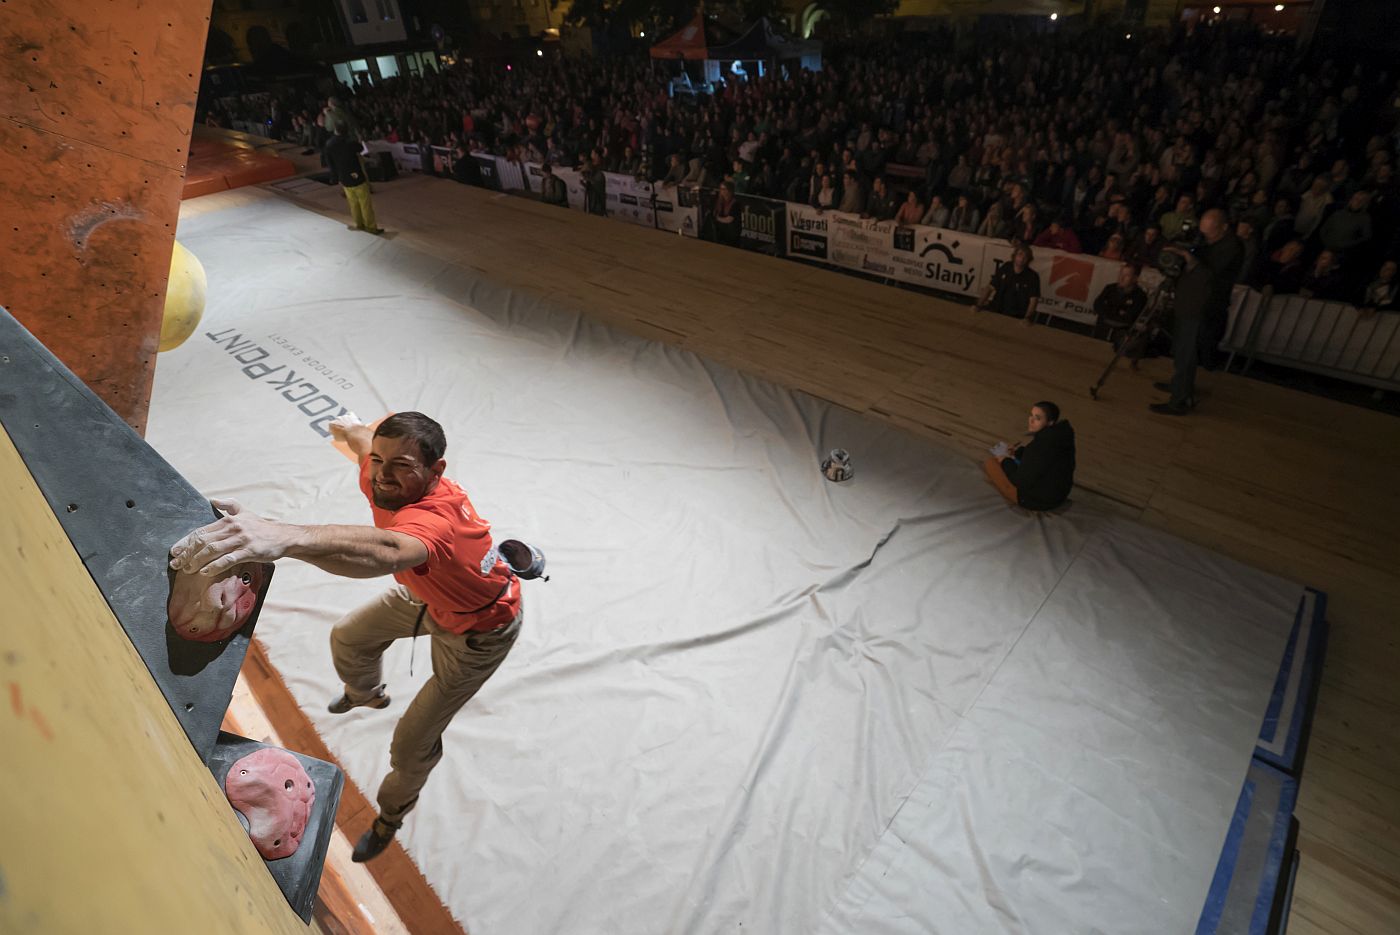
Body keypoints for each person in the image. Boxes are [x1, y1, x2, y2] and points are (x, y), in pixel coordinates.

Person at [168, 412, 524, 863]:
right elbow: (361, 440)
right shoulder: (380, 469)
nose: (384, 474)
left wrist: (285, 537)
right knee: (349, 638)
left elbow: (388, 551)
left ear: (436, 471)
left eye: (402, 466)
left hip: (479, 629)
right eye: (380, 460)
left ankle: (390, 817)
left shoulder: (434, 521)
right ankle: (366, 694)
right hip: (431, 595)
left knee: (411, 744)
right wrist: (350, 425)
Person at [1150, 208, 1243, 415]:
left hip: (1201, 308)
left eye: (1211, 232)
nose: (1206, 236)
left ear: (1224, 228)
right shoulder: (1206, 241)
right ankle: (1180, 385)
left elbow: (1210, 275)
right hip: (1187, 303)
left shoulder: (1232, 247)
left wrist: (1189, 258)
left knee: (1187, 353)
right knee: (1180, 350)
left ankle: (1179, 401)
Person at [982, 401, 1076, 512]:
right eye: (1031, 415)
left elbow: (1019, 481)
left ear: (1050, 422)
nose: (1031, 420)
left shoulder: (1040, 446)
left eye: (1037, 418)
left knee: (991, 463)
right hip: (1059, 496)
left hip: (1037, 501)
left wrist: (1005, 461)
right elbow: (1041, 458)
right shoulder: (1060, 437)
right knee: (1014, 462)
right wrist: (1018, 452)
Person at [324, 125, 384, 235]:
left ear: (335, 130)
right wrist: (359, 139)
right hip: (356, 175)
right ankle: (370, 227)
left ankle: (359, 224)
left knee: (353, 203)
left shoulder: (329, 144)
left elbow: (330, 163)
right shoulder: (349, 143)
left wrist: (335, 177)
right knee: (364, 203)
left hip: (344, 177)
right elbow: (361, 148)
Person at [975, 244, 1041, 326]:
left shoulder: (1032, 276)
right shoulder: (1006, 267)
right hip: (996, 309)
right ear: (1014, 256)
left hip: (1017, 316)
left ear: (1029, 259)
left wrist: (1027, 318)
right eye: (1020, 254)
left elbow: (1033, 300)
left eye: (1025, 256)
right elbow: (990, 287)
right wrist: (978, 305)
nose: (1022, 258)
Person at [1092, 262, 1148, 343]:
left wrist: (1109, 310)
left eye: (1127, 276)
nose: (1121, 278)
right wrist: (1117, 312)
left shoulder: (1140, 296)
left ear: (1135, 278)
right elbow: (1097, 305)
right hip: (1102, 328)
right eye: (1121, 274)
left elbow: (1131, 316)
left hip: (1121, 334)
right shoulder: (1110, 288)